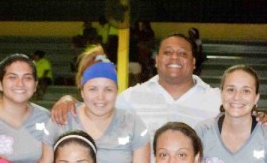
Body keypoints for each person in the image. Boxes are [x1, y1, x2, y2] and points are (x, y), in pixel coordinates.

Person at [51, 33, 222, 143]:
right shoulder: (131, 98)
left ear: (193, 62)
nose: (175, 57)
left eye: (183, 53)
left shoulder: (218, 100)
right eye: (167, 52)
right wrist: (68, 100)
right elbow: (97, 107)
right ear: (156, 60)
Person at [25, 45, 150, 163]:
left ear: (117, 92)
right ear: (82, 92)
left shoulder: (132, 123)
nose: (100, 97)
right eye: (93, 89)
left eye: (108, 89)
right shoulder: (63, 119)